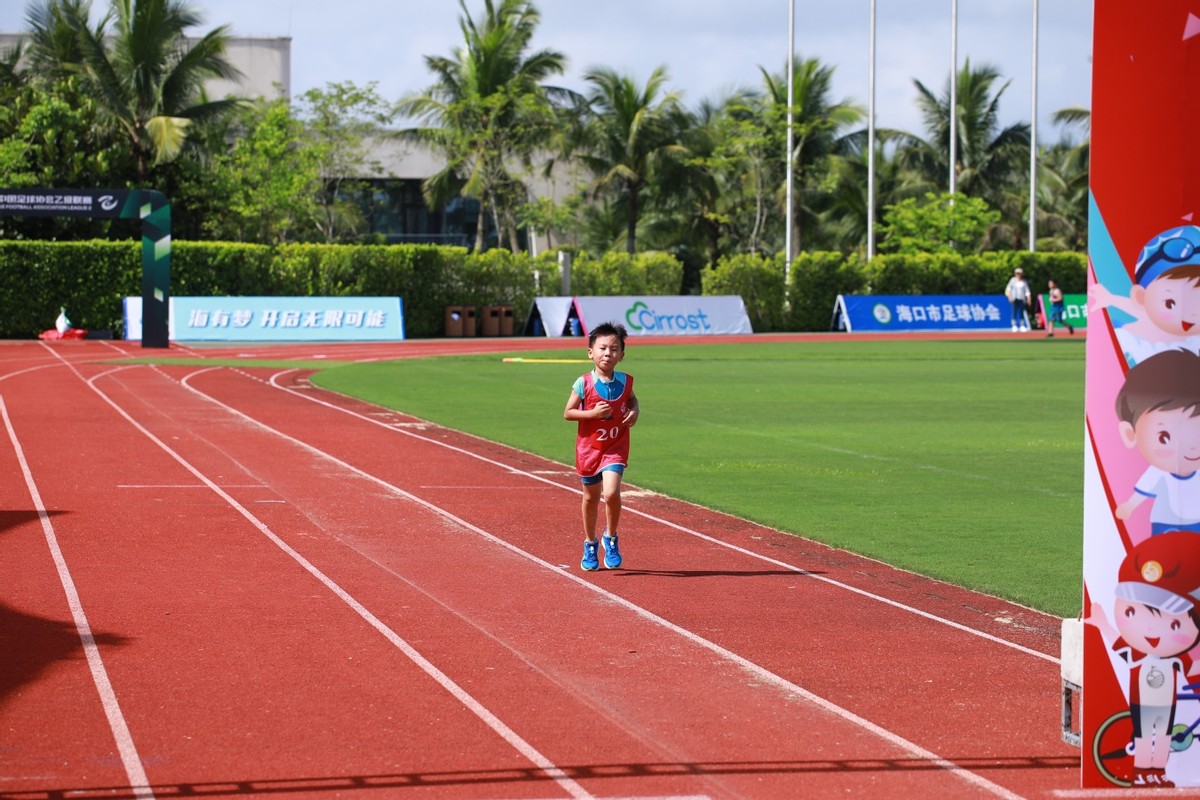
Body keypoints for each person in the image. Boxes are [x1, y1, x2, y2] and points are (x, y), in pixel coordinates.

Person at [1086, 531, 1200, 788]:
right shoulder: (1138, 653)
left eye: (1172, 623)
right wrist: (1102, 624)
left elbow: (1192, 667)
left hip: (1166, 705)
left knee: (1162, 739)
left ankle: (1157, 772)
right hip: (1142, 703)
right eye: (1132, 612)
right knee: (1144, 737)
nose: (1151, 631)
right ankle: (1141, 771)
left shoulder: (1173, 660)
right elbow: (1118, 644)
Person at [563, 321, 640, 571]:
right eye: (603, 348)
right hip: (589, 450)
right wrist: (593, 414)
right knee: (590, 498)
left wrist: (635, 411)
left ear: (622, 355)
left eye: (614, 349)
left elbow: (631, 399)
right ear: (591, 352)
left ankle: (612, 536)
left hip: (615, 446)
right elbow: (568, 412)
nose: (608, 353)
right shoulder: (583, 383)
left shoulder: (626, 382)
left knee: (611, 493)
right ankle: (590, 542)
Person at [1114, 349, 1200, 536]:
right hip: (1165, 520)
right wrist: (1129, 506)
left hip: (1196, 521)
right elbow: (1143, 491)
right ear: (1131, 434)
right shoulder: (1158, 473)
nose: (1191, 445)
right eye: (1164, 437)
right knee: (1161, 555)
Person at [1090, 225, 1200, 366]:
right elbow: (1141, 312)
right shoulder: (1129, 339)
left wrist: (1111, 299)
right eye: (1170, 303)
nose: (1191, 314)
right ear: (1140, 297)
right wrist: (1110, 299)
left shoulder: (1193, 340)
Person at [1005, 267, 1032, 332]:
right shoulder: (1013, 280)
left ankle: (1022, 325)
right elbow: (1008, 289)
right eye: (1017, 273)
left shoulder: (1024, 282)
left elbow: (1027, 291)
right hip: (1014, 298)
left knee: (1021, 312)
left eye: (1019, 273)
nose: (1018, 275)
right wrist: (1009, 297)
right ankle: (1014, 325)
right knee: (1014, 311)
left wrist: (1029, 298)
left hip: (1021, 299)